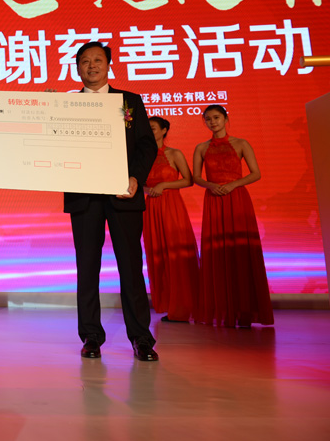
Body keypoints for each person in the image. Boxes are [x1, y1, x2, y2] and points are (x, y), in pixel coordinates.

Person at [64, 41, 158, 361]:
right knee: (87, 267)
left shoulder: (129, 101)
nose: (91, 66)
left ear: (108, 65)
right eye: (85, 61)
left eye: (98, 60)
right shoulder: (67, 105)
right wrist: (45, 110)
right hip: (84, 196)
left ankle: (141, 338)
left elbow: (146, 145)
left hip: (123, 194)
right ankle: (91, 336)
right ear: (77, 68)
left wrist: (135, 178)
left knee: (130, 267)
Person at [192, 104, 274, 327]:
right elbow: (196, 177)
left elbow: (255, 173)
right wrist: (210, 185)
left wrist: (233, 185)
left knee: (240, 251)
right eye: (208, 119)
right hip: (214, 199)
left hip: (237, 198)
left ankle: (245, 311)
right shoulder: (201, 147)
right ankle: (223, 310)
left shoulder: (241, 143)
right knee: (217, 252)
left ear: (226, 118)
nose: (213, 122)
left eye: (216, 117)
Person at [143, 116, 201, 323]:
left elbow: (188, 180)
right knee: (158, 255)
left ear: (164, 130)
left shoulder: (174, 153)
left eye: (153, 128)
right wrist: (148, 189)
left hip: (172, 206)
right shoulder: (141, 156)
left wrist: (163, 186)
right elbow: (136, 183)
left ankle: (185, 307)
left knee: (177, 255)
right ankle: (169, 305)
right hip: (151, 208)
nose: (150, 132)